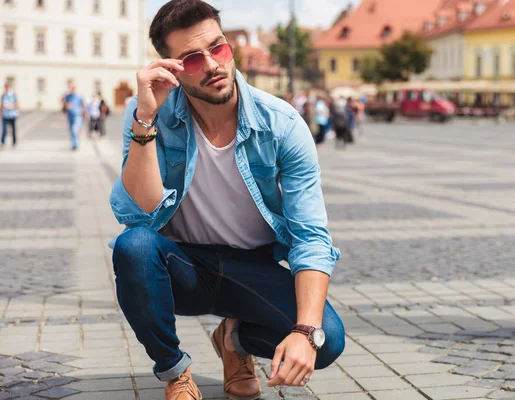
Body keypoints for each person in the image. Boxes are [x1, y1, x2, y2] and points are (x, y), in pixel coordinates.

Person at [108, 1, 345, 400]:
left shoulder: (282, 124)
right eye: (192, 58)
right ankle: (175, 372)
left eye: (218, 48)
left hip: (252, 267)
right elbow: (140, 214)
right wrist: (145, 120)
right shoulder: (148, 114)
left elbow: (311, 237)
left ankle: (235, 340)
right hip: (183, 265)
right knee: (133, 247)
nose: (213, 64)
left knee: (327, 341)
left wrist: (304, 332)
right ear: (172, 68)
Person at [62, 83, 84, 150]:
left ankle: (75, 145)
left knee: (75, 130)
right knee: (72, 131)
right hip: (70, 115)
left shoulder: (79, 96)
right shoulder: (67, 96)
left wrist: (83, 114)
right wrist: (66, 107)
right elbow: (64, 105)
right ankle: (74, 144)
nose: (72, 89)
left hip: (77, 115)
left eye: (73, 88)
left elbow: (82, 105)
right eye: (71, 88)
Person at [1, 83, 19, 149]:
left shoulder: (13, 95)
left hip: (12, 115)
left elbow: (17, 104)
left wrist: (11, 107)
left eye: (6, 87)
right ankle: (2, 142)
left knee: (13, 129)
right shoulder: (3, 95)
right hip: (5, 115)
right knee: (4, 129)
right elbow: (2, 105)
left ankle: (14, 142)